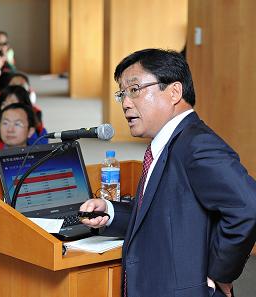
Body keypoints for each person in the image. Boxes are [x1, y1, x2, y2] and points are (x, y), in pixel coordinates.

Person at [79, 49, 256, 297]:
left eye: (135, 90)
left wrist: (221, 272)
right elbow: (163, 216)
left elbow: (248, 205)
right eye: (122, 94)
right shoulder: (167, 143)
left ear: (174, 92)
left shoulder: (196, 143)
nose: (126, 103)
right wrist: (109, 212)